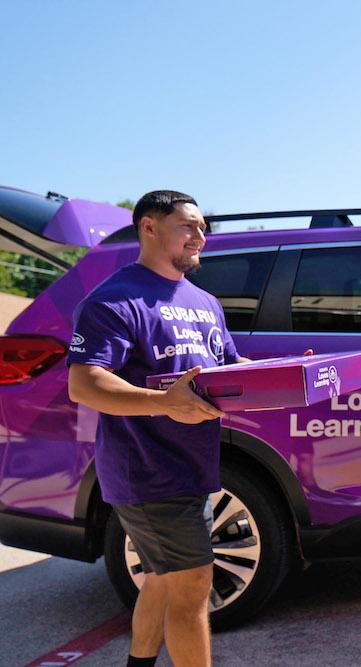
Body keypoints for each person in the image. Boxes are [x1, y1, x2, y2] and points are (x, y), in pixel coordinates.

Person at [68, 190, 245, 667]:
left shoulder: (206, 302)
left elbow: (229, 370)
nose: (200, 236)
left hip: (194, 467)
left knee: (165, 578)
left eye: (203, 228)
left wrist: (291, 376)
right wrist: (162, 404)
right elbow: (84, 383)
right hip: (146, 471)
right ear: (149, 226)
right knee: (192, 587)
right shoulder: (114, 299)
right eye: (188, 225)